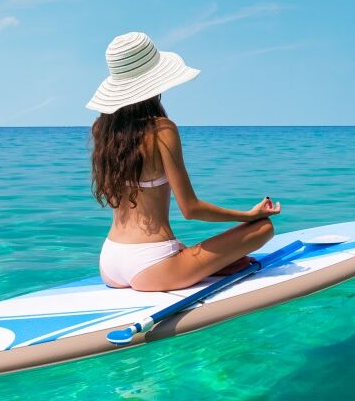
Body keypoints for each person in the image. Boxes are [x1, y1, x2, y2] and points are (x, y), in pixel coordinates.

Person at [87, 32, 280, 292]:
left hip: (110, 260)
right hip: (152, 264)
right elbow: (191, 209)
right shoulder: (162, 130)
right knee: (263, 229)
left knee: (193, 251)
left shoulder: (102, 130)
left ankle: (204, 263)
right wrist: (248, 216)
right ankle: (207, 262)